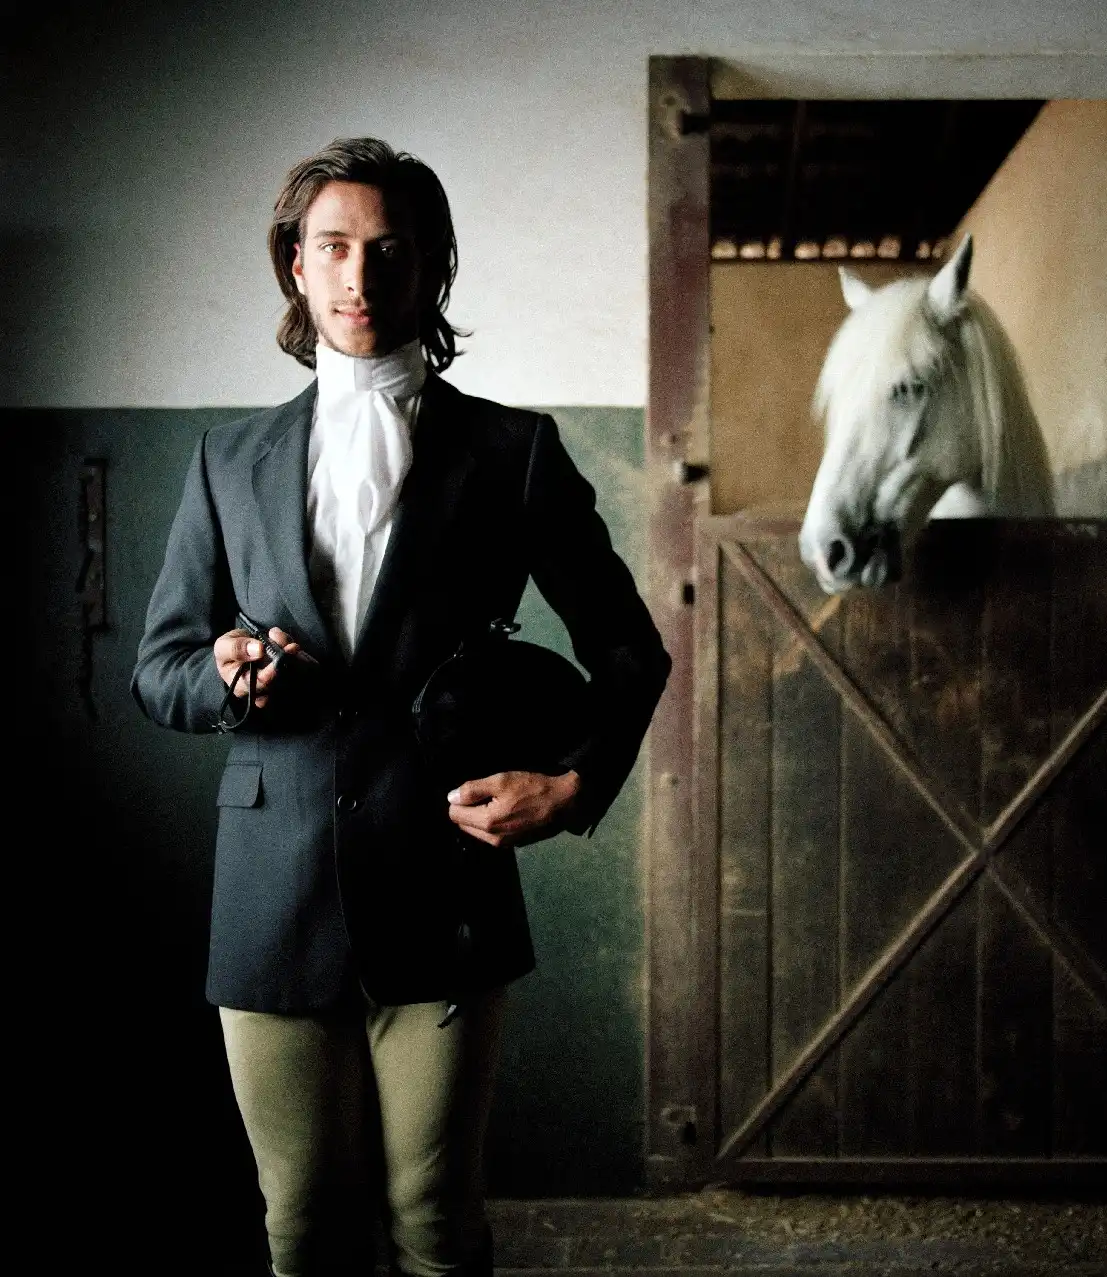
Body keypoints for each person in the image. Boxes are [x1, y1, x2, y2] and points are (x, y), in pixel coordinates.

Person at [132, 137, 671, 1277]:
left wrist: (576, 784)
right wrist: (225, 672)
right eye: (332, 247)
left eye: (389, 250)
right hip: (269, 893)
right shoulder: (227, 459)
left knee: (435, 1218)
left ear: (432, 267)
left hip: (447, 888)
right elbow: (160, 666)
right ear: (295, 264)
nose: (359, 276)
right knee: (301, 1226)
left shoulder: (515, 451)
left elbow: (630, 647)